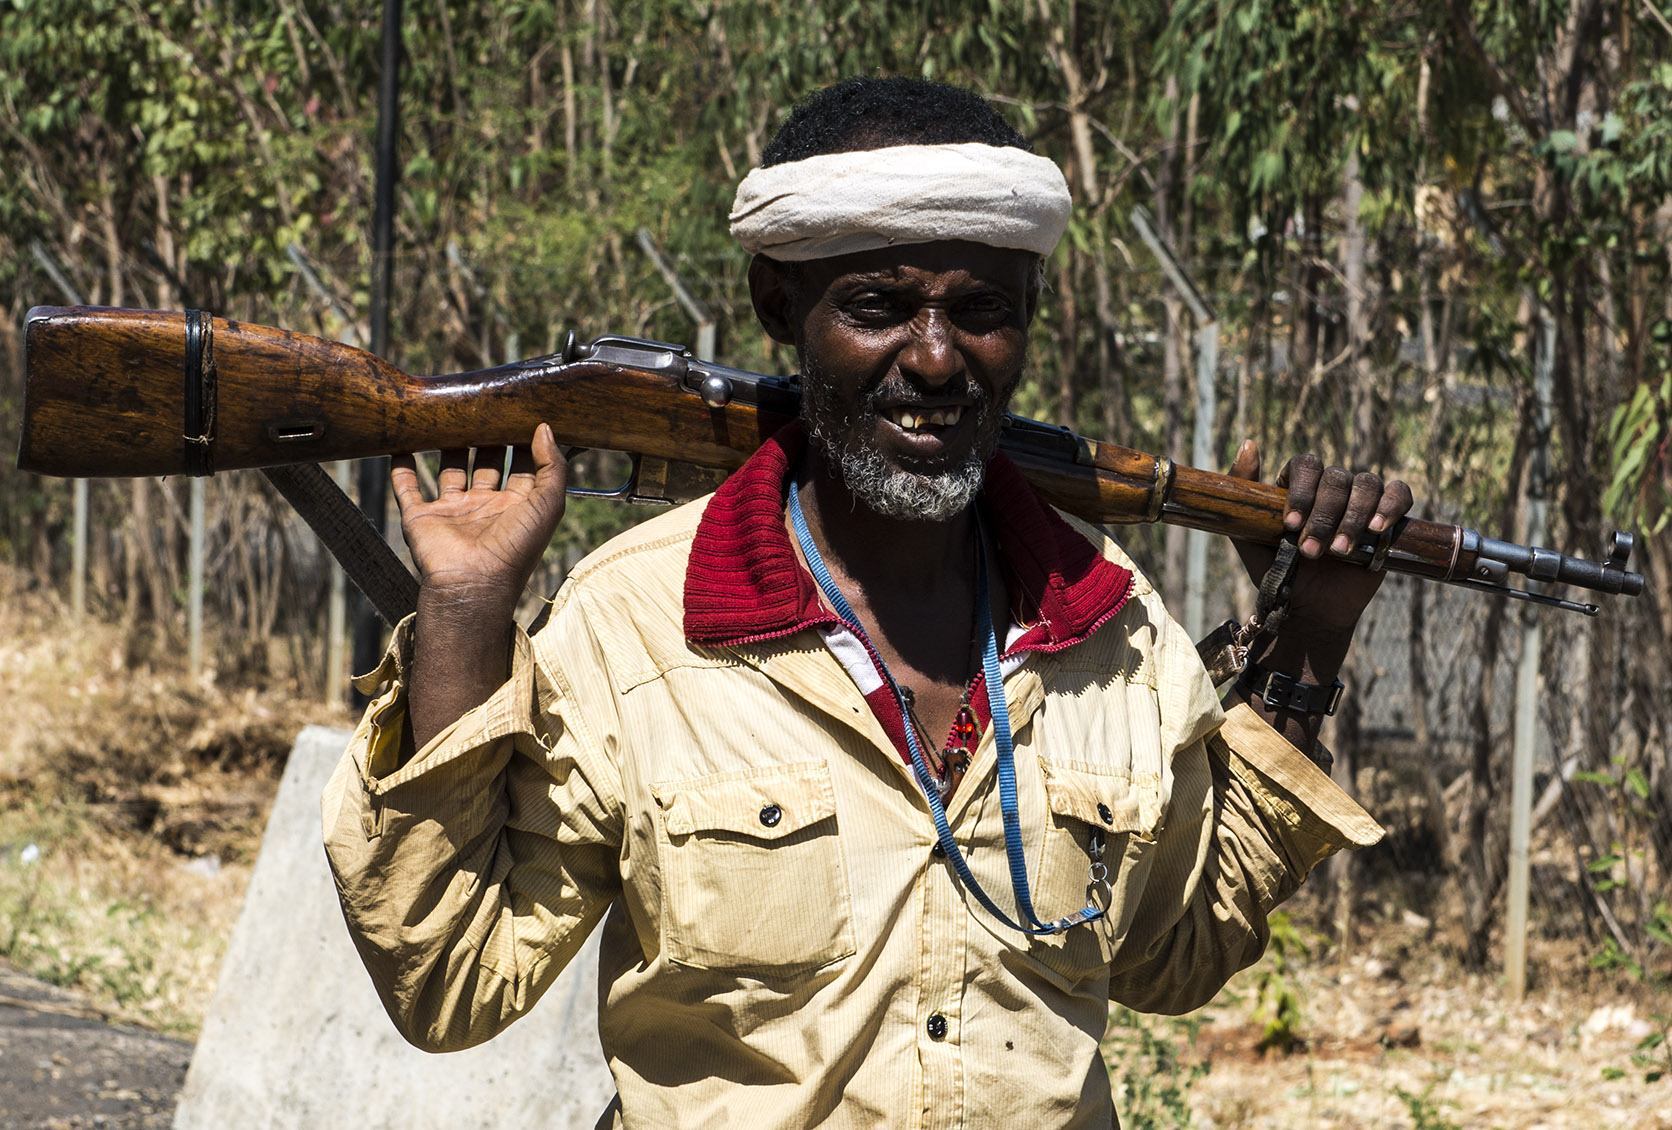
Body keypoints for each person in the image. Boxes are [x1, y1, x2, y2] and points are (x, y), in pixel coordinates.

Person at [323, 76, 1412, 1128]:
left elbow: (1175, 958)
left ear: (1028, 316)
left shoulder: (1115, 629)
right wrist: (465, 608)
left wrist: (1309, 634)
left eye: (979, 310)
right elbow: (452, 981)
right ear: (777, 305)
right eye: (879, 306)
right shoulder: (633, 626)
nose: (936, 358)